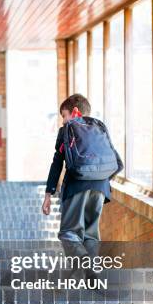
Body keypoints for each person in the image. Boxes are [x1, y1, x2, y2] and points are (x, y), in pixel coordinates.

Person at [42, 94, 123, 277]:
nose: (63, 120)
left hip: (76, 185)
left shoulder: (67, 130)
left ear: (74, 112)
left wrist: (48, 194)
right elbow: (115, 160)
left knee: (69, 233)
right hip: (100, 188)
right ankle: (89, 275)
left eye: (64, 115)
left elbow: (57, 163)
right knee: (91, 234)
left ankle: (86, 264)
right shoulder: (99, 128)